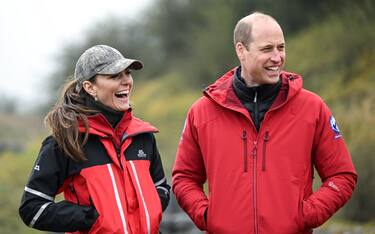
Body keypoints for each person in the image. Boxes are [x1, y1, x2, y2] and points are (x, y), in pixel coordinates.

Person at [172, 12, 357, 234]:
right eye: (267, 49)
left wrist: (306, 215)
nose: (277, 57)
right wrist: (207, 216)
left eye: (281, 47)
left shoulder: (312, 108)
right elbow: (184, 178)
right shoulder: (202, 112)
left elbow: (342, 176)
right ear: (241, 50)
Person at [19, 45, 170, 234]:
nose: (126, 81)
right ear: (90, 87)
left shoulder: (143, 136)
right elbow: (32, 208)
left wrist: (148, 210)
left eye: (127, 73)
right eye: (114, 76)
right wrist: (90, 218)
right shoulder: (67, 140)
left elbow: (161, 187)